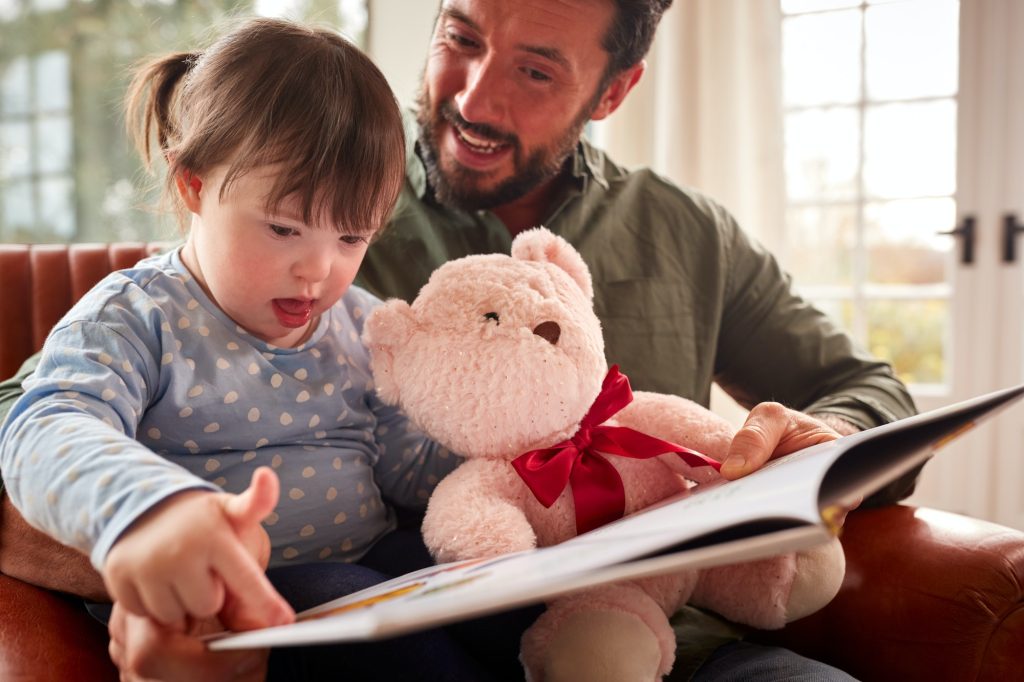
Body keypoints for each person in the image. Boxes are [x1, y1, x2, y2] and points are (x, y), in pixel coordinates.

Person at [0, 0, 917, 680]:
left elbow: (865, 386)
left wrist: (814, 446)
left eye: (536, 69)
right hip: (328, 597)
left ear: (616, 88)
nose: (474, 94)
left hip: (655, 627)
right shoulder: (308, 165)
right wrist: (149, 525)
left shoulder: (690, 233)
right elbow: (38, 423)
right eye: (461, 37)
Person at [0, 16, 507, 682]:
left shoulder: (362, 325)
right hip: (258, 599)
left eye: (351, 238)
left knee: (498, 596)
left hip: (380, 564)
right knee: (366, 622)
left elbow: (410, 468)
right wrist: (148, 510)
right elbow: (43, 428)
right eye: (282, 228)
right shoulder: (134, 318)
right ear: (195, 186)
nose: (317, 271)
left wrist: (521, 457)